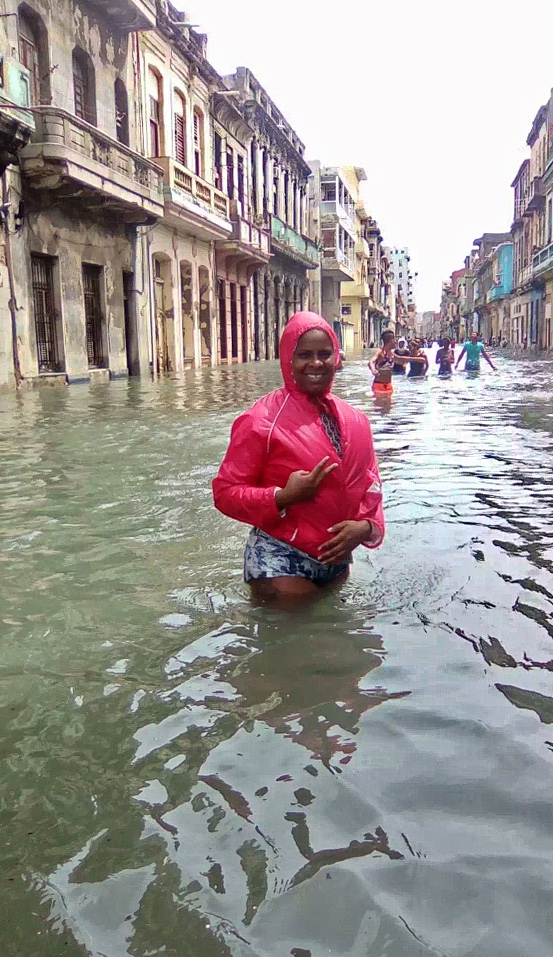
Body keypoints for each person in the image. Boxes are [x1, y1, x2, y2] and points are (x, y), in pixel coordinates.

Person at [212, 312, 385, 603]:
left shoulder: (357, 421)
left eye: (324, 354)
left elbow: (372, 485)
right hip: (280, 561)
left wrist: (366, 528)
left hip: (337, 561)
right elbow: (224, 493)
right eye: (304, 354)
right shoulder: (260, 421)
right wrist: (282, 497)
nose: (316, 363)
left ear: (336, 358)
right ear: (287, 360)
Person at [368, 330, 400, 396]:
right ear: (391, 340)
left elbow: (401, 359)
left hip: (389, 385)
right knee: (379, 405)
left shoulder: (391, 353)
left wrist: (418, 359)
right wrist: (373, 370)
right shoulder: (380, 352)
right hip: (379, 385)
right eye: (394, 339)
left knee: (390, 406)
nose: (396, 342)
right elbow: (371, 362)